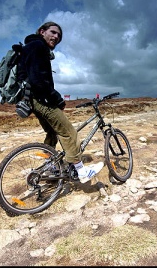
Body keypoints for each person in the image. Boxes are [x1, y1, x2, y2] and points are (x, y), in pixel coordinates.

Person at [17, 21, 103, 183]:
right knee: (69, 132)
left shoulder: (29, 46)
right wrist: (57, 98)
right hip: (41, 99)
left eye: (59, 36)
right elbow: (38, 79)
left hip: (31, 99)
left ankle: (50, 165)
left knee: (52, 132)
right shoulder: (38, 46)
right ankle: (81, 171)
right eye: (53, 32)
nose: (56, 37)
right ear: (42, 31)